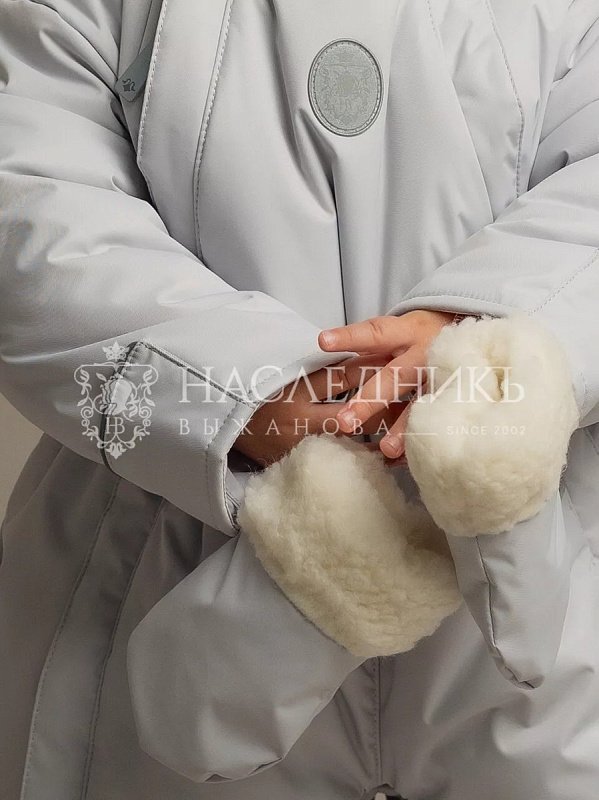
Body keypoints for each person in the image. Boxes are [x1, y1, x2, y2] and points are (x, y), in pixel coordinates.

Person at [1, 1, 598, 798]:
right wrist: (248, 398)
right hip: (161, 538)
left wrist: (484, 343)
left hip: (550, 552)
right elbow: (31, 212)